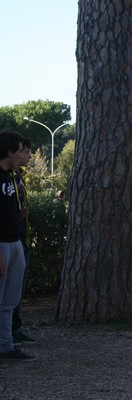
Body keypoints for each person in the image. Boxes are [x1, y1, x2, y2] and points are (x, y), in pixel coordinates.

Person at [0, 131, 36, 365]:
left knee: (9, 301)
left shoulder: (12, 176)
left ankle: (5, 345)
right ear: (9, 152)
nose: (24, 154)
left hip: (15, 242)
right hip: (1, 244)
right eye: (21, 150)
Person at [11, 137, 36, 345]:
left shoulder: (19, 176)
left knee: (18, 288)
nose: (27, 156)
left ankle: (14, 327)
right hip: (10, 239)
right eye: (25, 151)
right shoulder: (7, 177)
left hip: (21, 238)